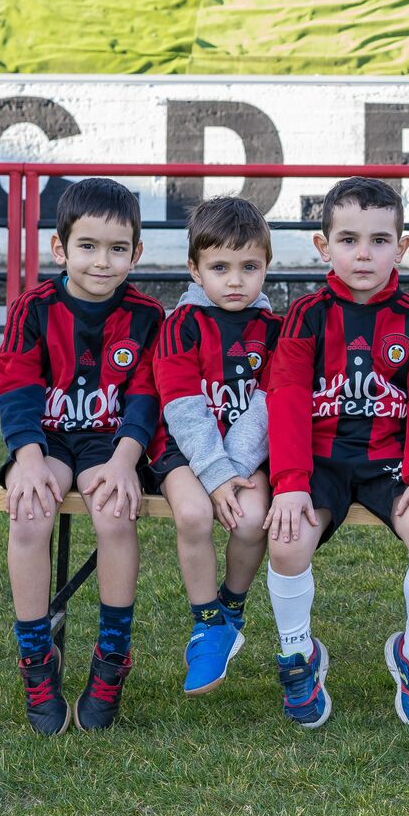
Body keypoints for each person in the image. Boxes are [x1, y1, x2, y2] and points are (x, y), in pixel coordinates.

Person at [263, 177, 409, 729]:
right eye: (348, 239)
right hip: (319, 460)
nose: (363, 253)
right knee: (287, 537)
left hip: (390, 460)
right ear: (324, 247)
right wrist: (292, 481)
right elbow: (290, 399)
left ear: (403, 246)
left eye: (378, 240)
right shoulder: (305, 314)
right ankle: (299, 657)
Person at [0, 177, 164, 735]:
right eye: (88, 247)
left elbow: (145, 395)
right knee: (31, 510)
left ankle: (112, 659)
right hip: (46, 438)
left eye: (118, 249)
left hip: (109, 441)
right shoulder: (33, 308)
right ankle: (37, 661)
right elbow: (16, 385)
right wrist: (28, 458)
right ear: (60, 249)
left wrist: (125, 460)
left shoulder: (146, 316)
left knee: (115, 512)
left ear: (136, 253)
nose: (102, 261)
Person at [149, 197, 280, 695]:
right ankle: (206, 623)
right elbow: (181, 406)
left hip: (245, 456)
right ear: (194, 269)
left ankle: (231, 606)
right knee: (193, 514)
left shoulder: (275, 330)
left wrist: (232, 471)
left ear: (266, 267)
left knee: (250, 520)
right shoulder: (180, 325)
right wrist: (213, 472)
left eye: (250, 267)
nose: (235, 280)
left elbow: (267, 405)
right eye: (219, 267)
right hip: (185, 449)